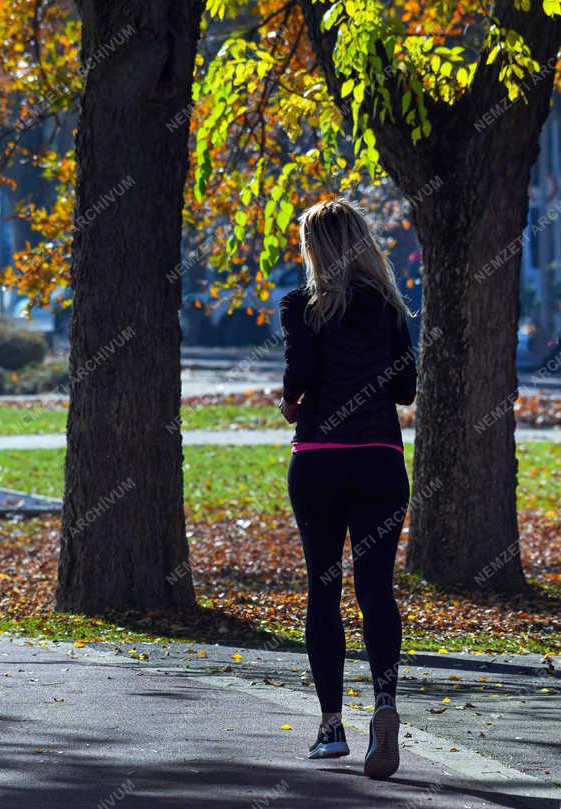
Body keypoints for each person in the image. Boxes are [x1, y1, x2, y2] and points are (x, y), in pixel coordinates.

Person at [277, 197, 417, 780]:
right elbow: (406, 389)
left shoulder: (300, 307)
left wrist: (289, 403)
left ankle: (330, 727)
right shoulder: (387, 307)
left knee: (323, 587)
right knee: (376, 589)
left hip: (319, 461)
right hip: (380, 460)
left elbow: (300, 378)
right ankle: (383, 702)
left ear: (316, 249)